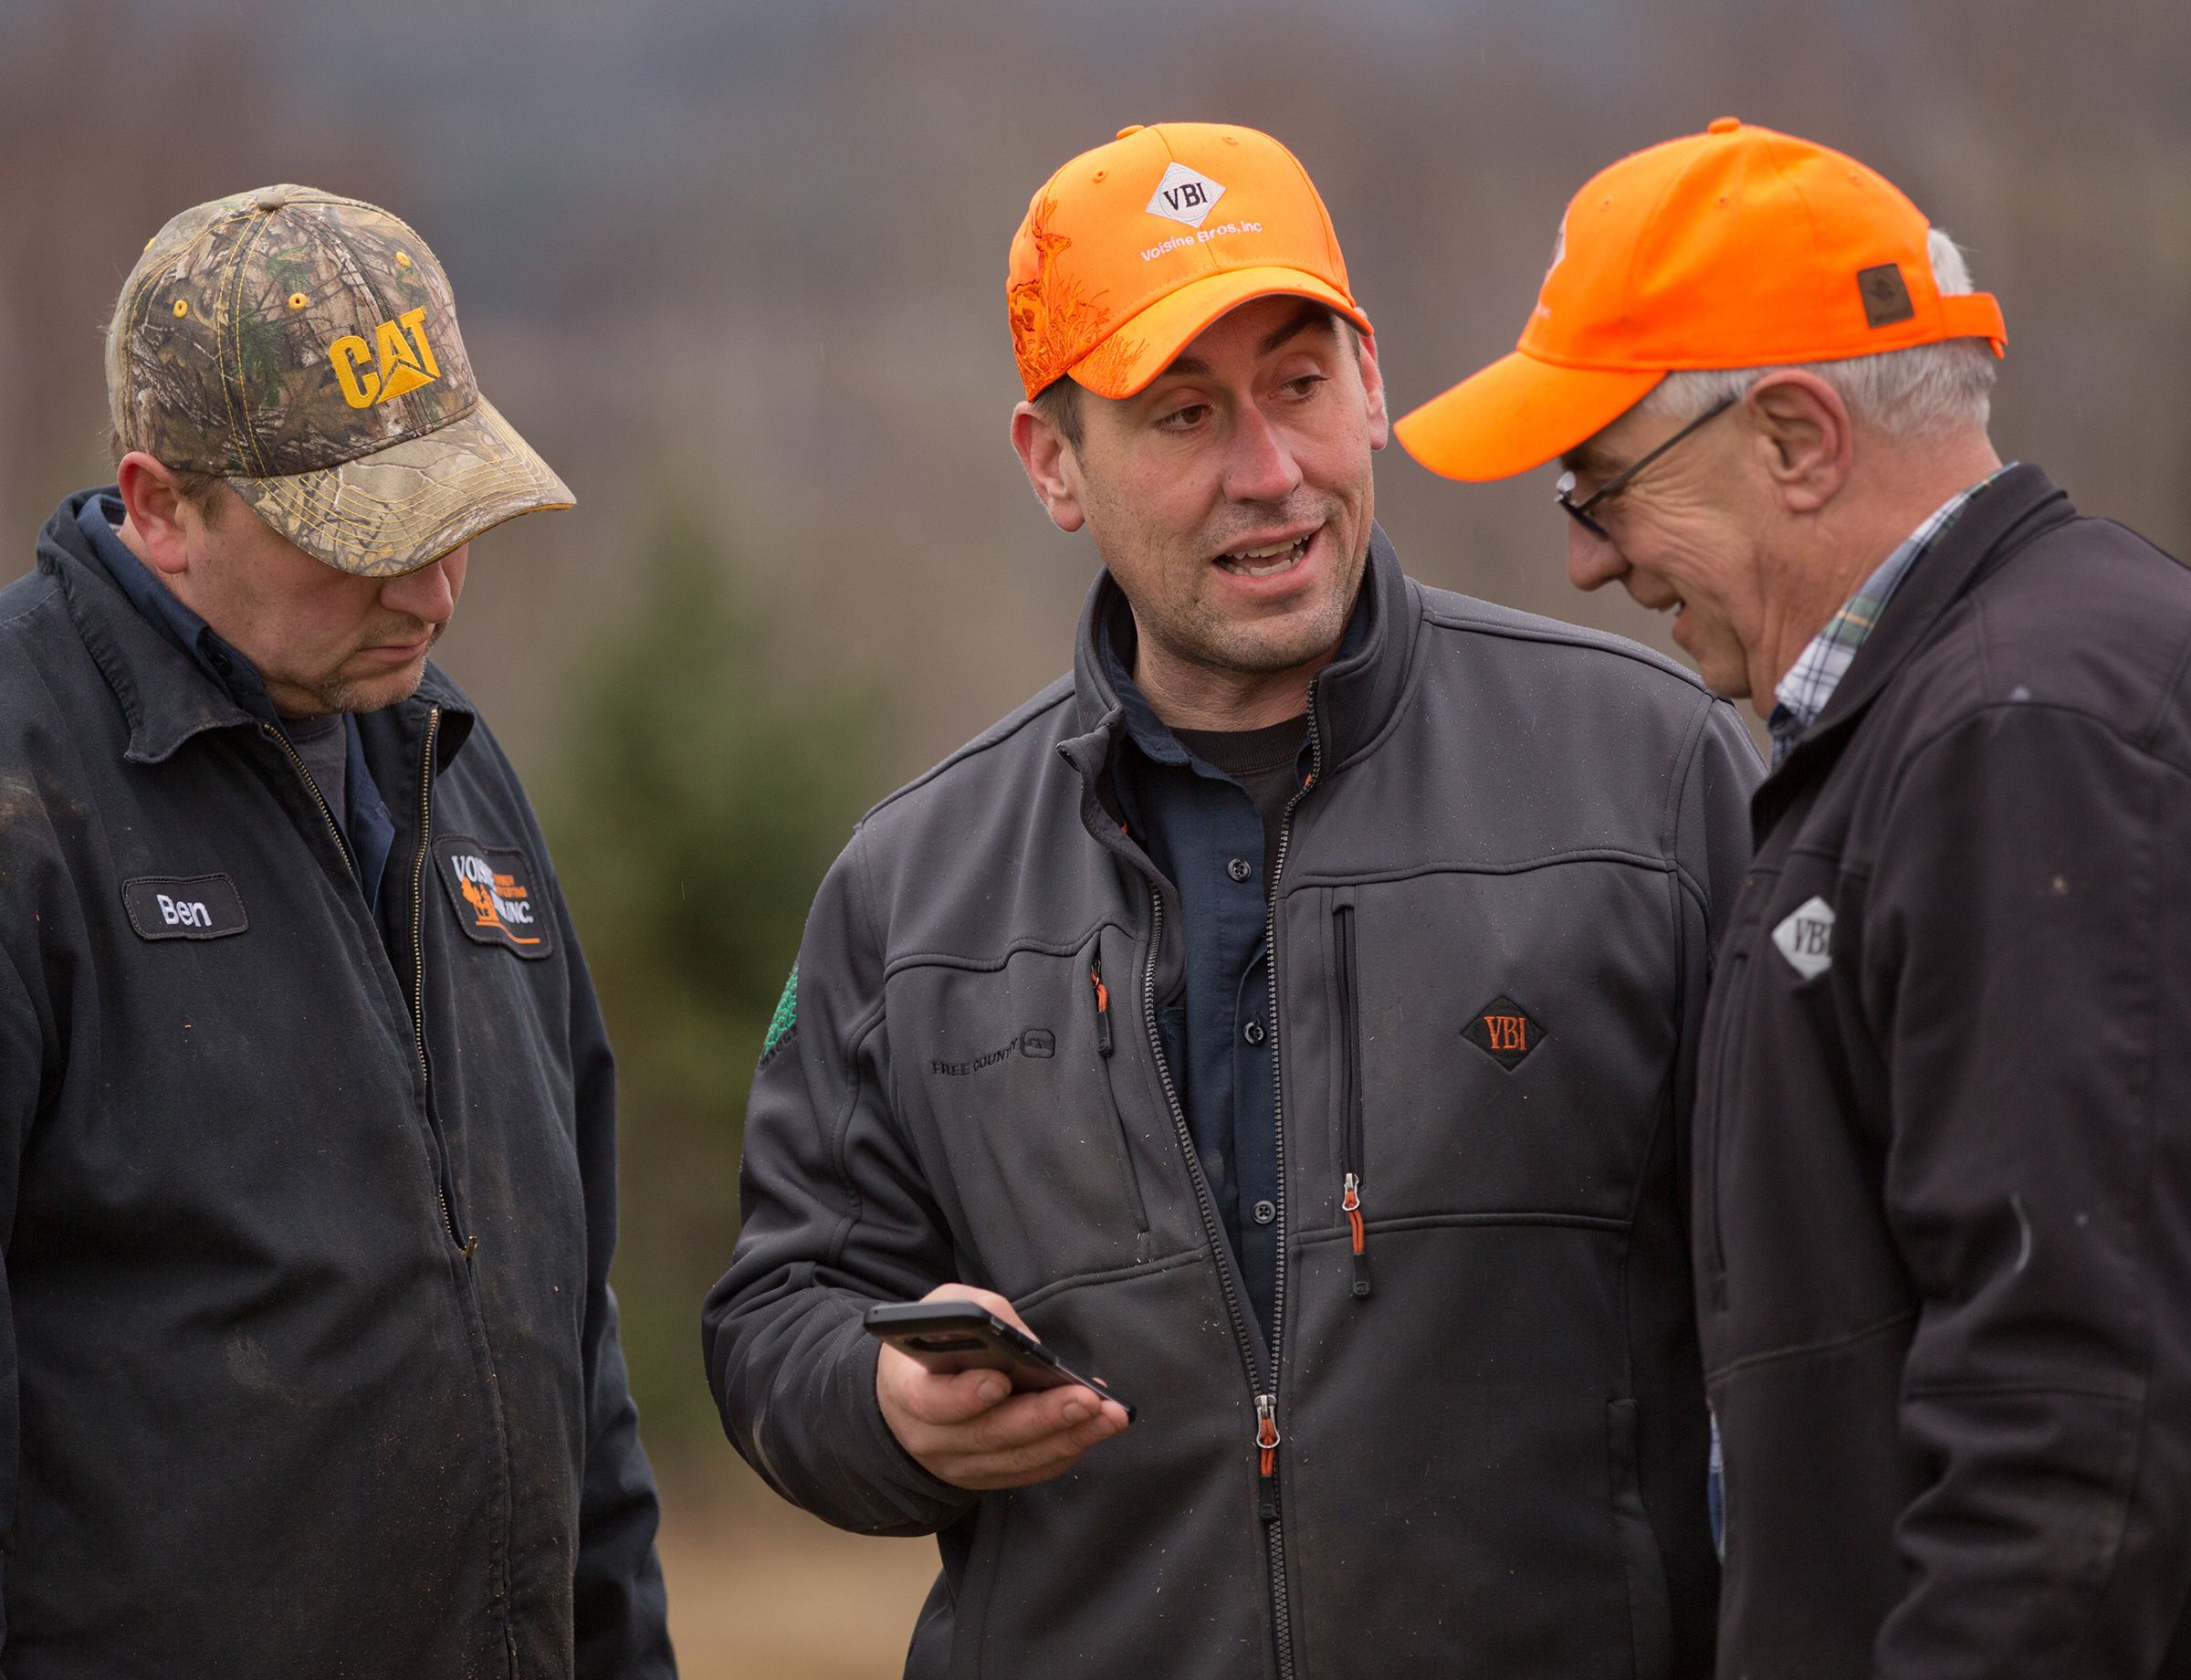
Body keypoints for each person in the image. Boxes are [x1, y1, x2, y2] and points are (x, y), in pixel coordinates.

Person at [706, 121, 1756, 1677]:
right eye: (1183, 414)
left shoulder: (1651, 777)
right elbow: (778, 1313)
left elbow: (1824, 1305)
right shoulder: (910, 884)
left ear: (1375, 385)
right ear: (1052, 463)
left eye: (1300, 386)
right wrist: (884, 1407)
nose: (1270, 473)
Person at [1397, 116, 2191, 1675]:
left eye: (1598, 486)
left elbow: (2072, 1417)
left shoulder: (2012, 737)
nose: (1583, 564)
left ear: (1797, 439)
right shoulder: (1998, 694)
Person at [0, 186, 674, 1675]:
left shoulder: (452, 762)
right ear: (163, 505)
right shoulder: (23, 799)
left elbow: (570, 1336)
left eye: (452, 523)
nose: (432, 590)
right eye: (360, 538)